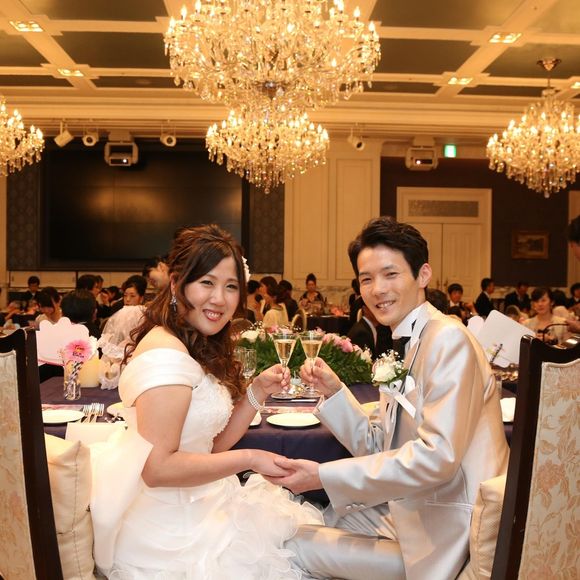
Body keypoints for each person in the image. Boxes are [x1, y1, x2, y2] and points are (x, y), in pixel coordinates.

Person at [266, 216, 509, 580]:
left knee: (288, 546)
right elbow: (381, 447)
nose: (378, 289)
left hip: (449, 533)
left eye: (390, 274)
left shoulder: (448, 339)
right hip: (409, 511)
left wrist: (322, 476)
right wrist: (335, 392)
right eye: (366, 279)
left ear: (423, 275)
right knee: (296, 517)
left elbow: (437, 458)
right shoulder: (410, 341)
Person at [90, 224, 323, 578]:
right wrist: (250, 458)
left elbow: (208, 447)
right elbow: (157, 469)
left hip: (205, 504)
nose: (220, 299)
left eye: (231, 286)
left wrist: (256, 392)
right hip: (174, 532)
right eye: (207, 283)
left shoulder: (189, 341)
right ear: (176, 284)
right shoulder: (166, 355)